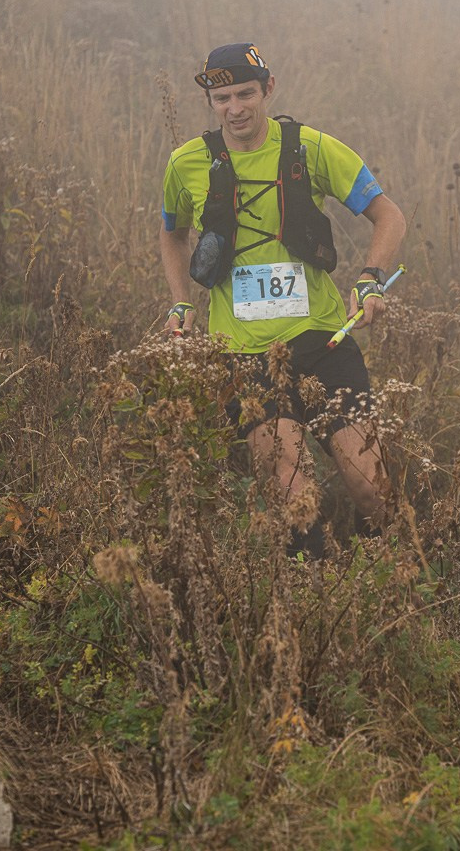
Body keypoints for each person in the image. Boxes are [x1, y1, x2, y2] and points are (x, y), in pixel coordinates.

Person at [159, 43, 406, 556]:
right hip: (244, 357)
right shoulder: (186, 164)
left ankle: (388, 584)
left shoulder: (309, 148)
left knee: (372, 488)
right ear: (210, 100)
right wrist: (181, 304)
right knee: (295, 500)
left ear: (268, 88)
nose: (235, 108)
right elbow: (171, 233)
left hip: (324, 344)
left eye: (246, 93)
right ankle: (317, 607)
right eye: (222, 97)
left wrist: (370, 280)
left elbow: (389, 216)